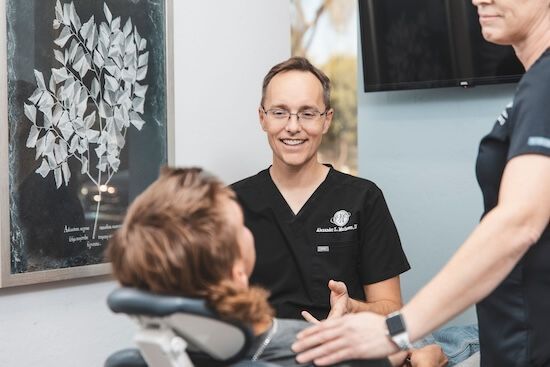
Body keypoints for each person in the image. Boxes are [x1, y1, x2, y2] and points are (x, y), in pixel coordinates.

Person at [291, 0, 550, 366]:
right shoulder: (534, 87)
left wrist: (394, 329)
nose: (479, 0)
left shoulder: (546, 85)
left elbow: (518, 223)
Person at [107, 167, 395, 367]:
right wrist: (341, 341)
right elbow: (387, 352)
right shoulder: (309, 350)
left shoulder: (147, 356)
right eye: (240, 227)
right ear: (237, 273)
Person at [231, 57, 410, 322]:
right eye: (280, 112)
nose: (293, 127)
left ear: (326, 120)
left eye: (308, 113)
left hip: (343, 353)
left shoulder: (363, 198)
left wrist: (352, 308)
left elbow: (393, 313)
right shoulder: (230, 204)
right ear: (263, 118)